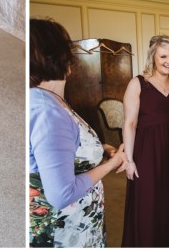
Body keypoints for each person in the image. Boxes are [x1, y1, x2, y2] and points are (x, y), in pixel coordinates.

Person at [29, 18, 127, 247]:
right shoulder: (47, 112)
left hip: (81, 223)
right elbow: (62, 194)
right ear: (59, 56)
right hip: (64, 232)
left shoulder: (53, 101)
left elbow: (63, 149)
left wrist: (102, 149)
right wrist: (111, 165)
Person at [121, 36, 169, 247]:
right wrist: (129, 160)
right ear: (153, 56)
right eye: (163, 56)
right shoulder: (137, 83)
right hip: (146, 152)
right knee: (149, 202)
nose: (168, 61)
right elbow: (130, 123)